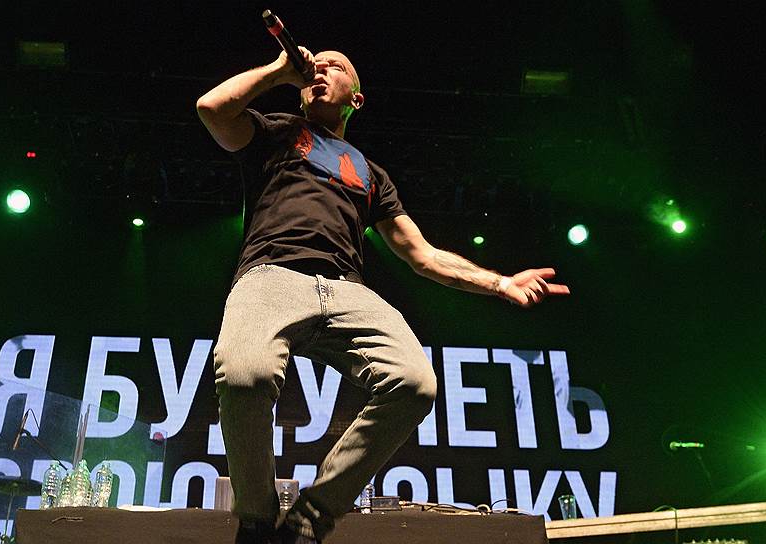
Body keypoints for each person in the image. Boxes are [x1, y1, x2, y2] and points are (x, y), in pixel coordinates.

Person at [196, 46, 569, 544]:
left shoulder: (371, 173)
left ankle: (308, 521)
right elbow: (212, 109)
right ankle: (258, 520)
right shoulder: (277, 131)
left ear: (357, 98)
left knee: (415, 383)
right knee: (246, 375)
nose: (320, 68)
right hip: (272, 275)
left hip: (348, 290)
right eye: (315, 64)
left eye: (335, 66)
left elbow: (423, 254)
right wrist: (279, 71)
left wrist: (500, 283)